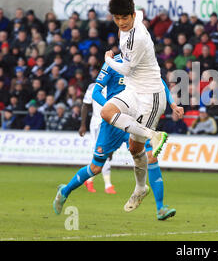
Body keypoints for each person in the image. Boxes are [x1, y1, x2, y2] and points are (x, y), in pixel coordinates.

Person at [54, 52, 183, 220]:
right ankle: (65, 191)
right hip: (114, 121)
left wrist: (172, 104)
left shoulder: (142, 60)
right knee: (96, 168)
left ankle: (160, 208)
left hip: (136, 120)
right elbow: (96, 92)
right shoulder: (112, 63)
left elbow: (159, 82)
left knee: (151, 156)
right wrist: (111, 107)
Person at [78, 78, 116, 194]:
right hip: (97, 124)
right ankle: (108, 185)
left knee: (107, 154)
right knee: (101, 152)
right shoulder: (93, 86)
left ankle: (89, 180)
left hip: (112, 123)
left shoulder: (116, 85)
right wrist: (82, 125)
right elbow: (85, 105)